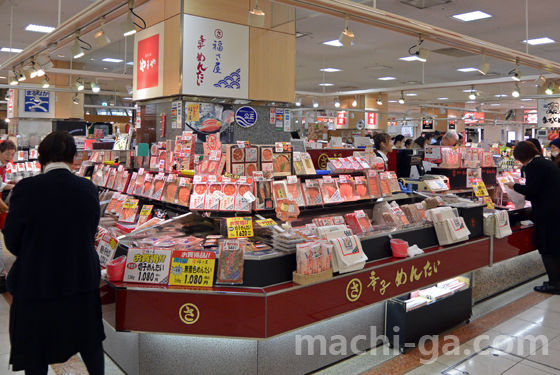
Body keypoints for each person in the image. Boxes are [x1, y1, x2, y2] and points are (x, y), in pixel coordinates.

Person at [4, 131, 105, 374]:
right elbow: (91, 230)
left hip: (36, 279)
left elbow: (12, 239)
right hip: (80, 276)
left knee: (35, 347)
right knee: (89, 341)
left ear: (41, 158)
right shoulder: (88, 188)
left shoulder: (26, 189)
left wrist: (33, 251)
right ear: (73, 158)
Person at [505, 141, 560, 294]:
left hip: (547, 214)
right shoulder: (545, 163)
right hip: (555, 212)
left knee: (547, 249)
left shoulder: (534, 166)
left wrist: (513, 186)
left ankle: (554, 283)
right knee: (555, 248)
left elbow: (531, 191)